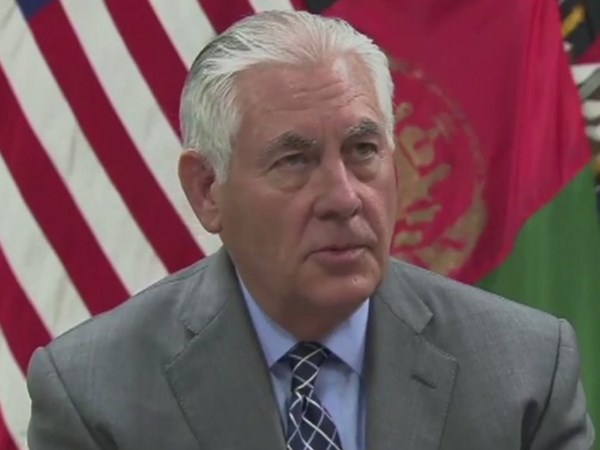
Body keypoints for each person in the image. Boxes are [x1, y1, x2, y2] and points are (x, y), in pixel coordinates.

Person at [26, 10, 594, 450]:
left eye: (363, 150)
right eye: (294, 161)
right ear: (207, 190)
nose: (344, 198)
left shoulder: (525, 371)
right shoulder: (95, 396)